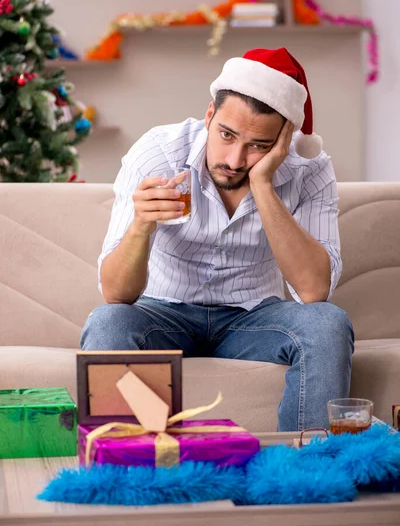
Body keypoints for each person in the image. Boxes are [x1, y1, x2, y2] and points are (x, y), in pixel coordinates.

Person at [80, 47, 354, 432]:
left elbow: (312, 291)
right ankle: (126, 467)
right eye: (226, 134)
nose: (235, 159)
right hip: (163, 313)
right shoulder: (158, 153)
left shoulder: (308, 171)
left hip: (253, 318)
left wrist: (263, 185)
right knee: (108, 322)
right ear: (209, 114)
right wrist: (142, 224)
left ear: (284, 139)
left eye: (258, 145)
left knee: (327, 323)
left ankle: (305, 471)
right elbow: (115, 294)